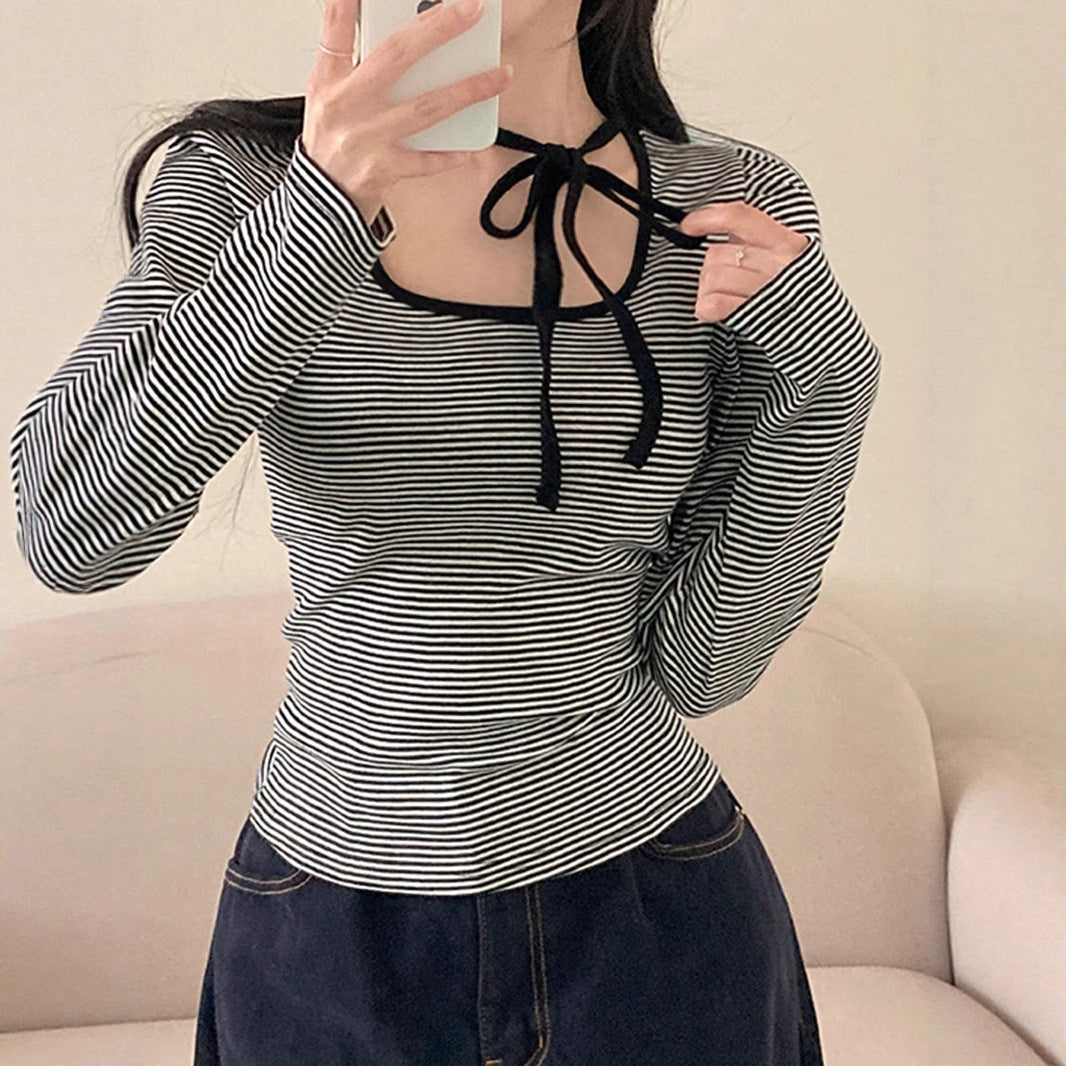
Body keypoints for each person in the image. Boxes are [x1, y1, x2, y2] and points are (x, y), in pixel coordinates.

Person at [9, 0, 881, 1061]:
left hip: (658, 912)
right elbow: (70, 532)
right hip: (329, 929)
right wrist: (317, 219)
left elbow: (706, 669)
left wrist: (829, 389)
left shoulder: (725, 204)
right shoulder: (246, 179)